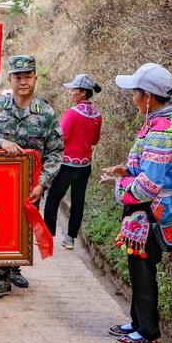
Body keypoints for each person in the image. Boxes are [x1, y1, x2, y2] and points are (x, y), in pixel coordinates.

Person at [103, 63, 172, 343]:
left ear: (148, 97)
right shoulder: (171, 120)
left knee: (143, 269)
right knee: (138, 265)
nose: (133, 99)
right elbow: (150, 167)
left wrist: (121, 187)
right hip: (154, 207)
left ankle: (148, 331)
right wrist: (127, 169)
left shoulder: (160, 130)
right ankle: (138, 322)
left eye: (135, 93)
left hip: (151, 210)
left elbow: (149, 184)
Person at [0, 55, 63, 295]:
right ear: (10, 79)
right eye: (18, 77)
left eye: (27, 76)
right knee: (0, 226)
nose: (23, 82)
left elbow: (55, 152)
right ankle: (2, 274)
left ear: (35, 78)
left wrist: (42, 184)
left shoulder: (46, 113)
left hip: (31, 184)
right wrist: (0, 142)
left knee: (23, 226)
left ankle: (15, 268)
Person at [44, 74, 102, 251]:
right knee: (78, 202)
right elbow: (95, 140)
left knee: (53, 197)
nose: (70, 92)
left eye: (73, 89)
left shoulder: (72, 113)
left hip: (67, 164)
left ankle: (47, 236)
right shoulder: (97, 115)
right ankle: (70, 239)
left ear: (83, 93)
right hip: (85, 166)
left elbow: (61, 137)